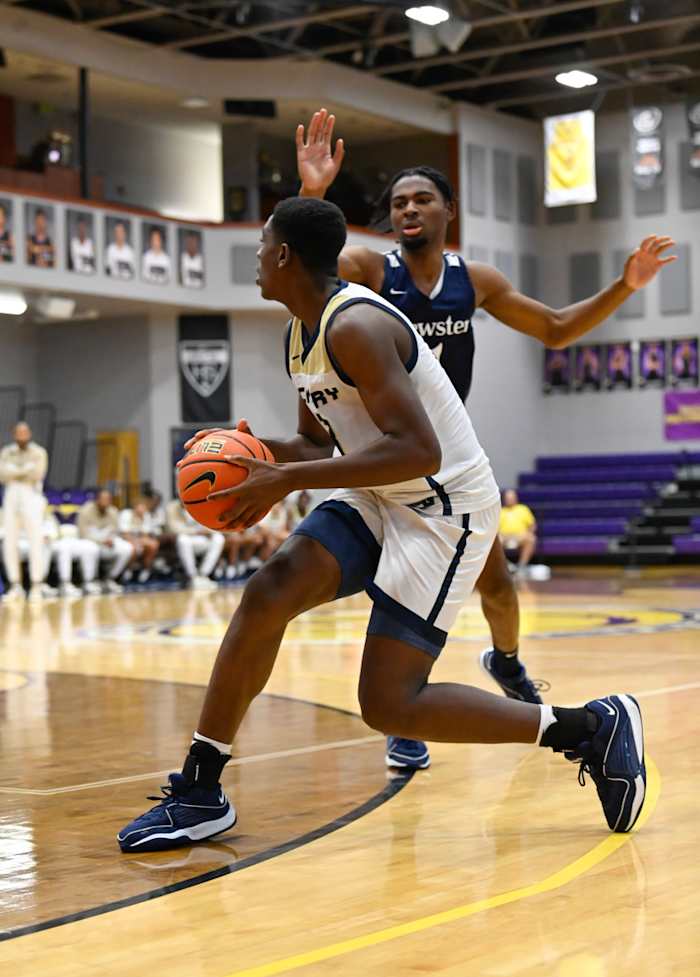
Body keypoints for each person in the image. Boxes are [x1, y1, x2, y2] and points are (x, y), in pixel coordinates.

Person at [119, 197, 646, 852]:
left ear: (283, 255)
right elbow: (317, 444)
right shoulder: (300, 333)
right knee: (269, 591)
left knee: (390, 704)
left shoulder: (357, 326)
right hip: (378, 491)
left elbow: (419, 450)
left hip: (443, 506)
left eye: (261, 245)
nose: (255, 257)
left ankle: (590, 728)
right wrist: (252, 452)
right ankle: (201, 787)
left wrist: (286, 480)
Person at [294, 108, 675, 770]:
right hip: (383, 462)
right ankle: (402, 712)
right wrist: (313, 192)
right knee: (400, 587)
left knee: (497, 586)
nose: (408, 209)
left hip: (447, 462)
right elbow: (310, 265)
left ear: (448, 210)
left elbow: (555, 329)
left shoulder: (474, 281)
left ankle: (506, 660)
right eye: (398, 202)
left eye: (422, 199)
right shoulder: (372, 270)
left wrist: (625, 285)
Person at [0, 422, 51, 602]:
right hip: (11, 496)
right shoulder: (6, 452)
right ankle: (15, 585)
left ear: (29, 434)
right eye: (18, 433)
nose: (22, 435)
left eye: (25, 432)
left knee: (35, 540)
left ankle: (36, 584)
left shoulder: (39, 452)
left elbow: (37, 474)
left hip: (31, 495)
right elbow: (2, 475)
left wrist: (14, 472)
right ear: (14, 435)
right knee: (10, 541)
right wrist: (24, 471)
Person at [77, 490, 133, 593]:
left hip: (107, 543)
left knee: (127, 548)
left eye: (108, 499)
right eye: (103, 499)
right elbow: (83, 534)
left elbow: (115, 531)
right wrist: (101, 541)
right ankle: (89, 581)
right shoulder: (85, 511)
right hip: (90, 542)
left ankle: (110, 578)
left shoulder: (113, 511)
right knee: (91, 548)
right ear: (97, 500)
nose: (106, 502)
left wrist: (111, 539)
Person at [165, 497, 224, 591]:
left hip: (201, 539)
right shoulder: (172, 507)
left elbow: (214, 524)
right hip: (187, 538)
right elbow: (174, 529)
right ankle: (193, 576)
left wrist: (208, 531)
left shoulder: (201, 503)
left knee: (219, 538)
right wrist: (196, 532)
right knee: (182, 539)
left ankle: (203, 575)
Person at [118, 497, 160, 584]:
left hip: (139, 540)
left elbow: (145, 535)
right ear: (135, 507)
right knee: (133, 548)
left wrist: (140, 542)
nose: (142, 510)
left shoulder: (146, 515)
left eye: (144, 508)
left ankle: (146, 569)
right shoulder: (126, 514)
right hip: (124, 540)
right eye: (141, 507)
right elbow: (125, 534)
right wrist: (136, 542)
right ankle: (128, 569)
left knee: (153, 545)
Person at [499, 489, 537, 572]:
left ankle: (522, 565)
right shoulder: (500, 511)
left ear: (516, 498)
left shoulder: (523, 509)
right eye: (508, 498)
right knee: (496, 541)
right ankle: (505, 565)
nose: (509, 500)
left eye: (511, 498)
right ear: (504, 499)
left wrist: (528, 533)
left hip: (520, 536)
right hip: (504, 537)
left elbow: (532, 525)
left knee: (531, 539)